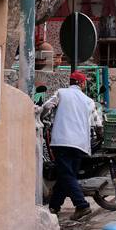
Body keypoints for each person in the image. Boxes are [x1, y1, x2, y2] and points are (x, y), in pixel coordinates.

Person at [40, 71, 100, 221]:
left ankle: (82, 205)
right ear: (82, 83)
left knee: (66, 174)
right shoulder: (88, 101)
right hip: (80, 144)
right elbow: (97, 123)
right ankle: (54, 206)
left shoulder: (61, 93)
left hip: (62, 141)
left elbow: (47, 106)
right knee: (67, 175)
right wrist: (100, 136)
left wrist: (43, 117)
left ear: (71, 82)